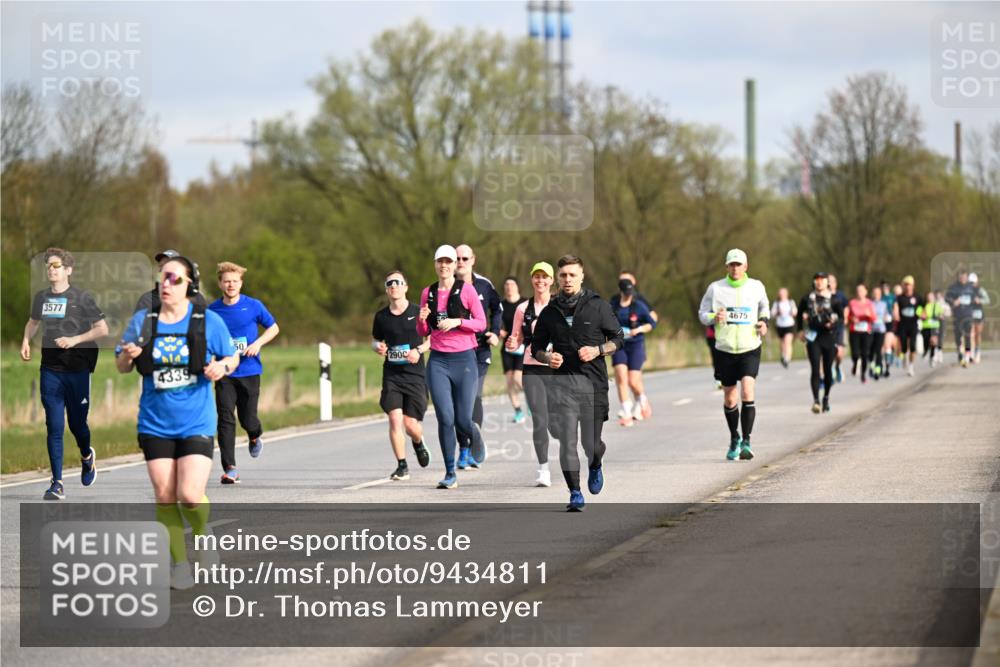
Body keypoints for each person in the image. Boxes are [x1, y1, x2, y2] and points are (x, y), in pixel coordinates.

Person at [116, 255, 240, 589]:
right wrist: (127, 356)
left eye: (174, 279)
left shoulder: (207, 321)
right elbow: (121, 366)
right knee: (165, 495)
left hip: (196, 420)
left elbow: (232, 355)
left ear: (189, 285)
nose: (166, 284)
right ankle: (180, 565)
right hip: (154, 422)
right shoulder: (144, 321)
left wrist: (223, 367)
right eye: (162, 279)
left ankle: (202, 534)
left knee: (189, 494)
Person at [531, 255, 623, 511]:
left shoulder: (598, 306)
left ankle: (595, 464)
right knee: (568, 441)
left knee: (590, 446)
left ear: (582, 276)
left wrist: (598, 350)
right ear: (557, 279)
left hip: (593, 385)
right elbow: (536, 347)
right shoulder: (550, 312)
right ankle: (574, 492)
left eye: (572, 275)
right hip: (562, 386)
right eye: (563, 275)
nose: (567, 279)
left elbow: (618, 338)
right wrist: (547, 357)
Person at [21, 248, 109, 500]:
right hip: (51, 369)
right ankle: (57, 482)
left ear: (68, 270)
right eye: (48, 265)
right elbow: (33, 321)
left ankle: (86, 455)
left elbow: (102, 328)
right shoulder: (41, 297)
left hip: (78, 370)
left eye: (56, 265)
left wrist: (75, 339)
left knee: (77, 424)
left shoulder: (82, 298)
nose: (51, 269)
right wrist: (26, 340)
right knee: (54, 425)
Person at [417, 244, 488, 489]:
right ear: (436, 264)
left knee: (462, 420)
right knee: (445, 418)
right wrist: (422, 320)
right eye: (440, 262)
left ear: (454, 265)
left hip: (465, 360)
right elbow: (423, 331)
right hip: (438, 361)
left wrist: (457, 321)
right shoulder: (428, 292)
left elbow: (481, 323)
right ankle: (449, 473)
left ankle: (473, 432)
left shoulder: (467, 290)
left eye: (449, 261)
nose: (445, 266)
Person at [207, 262, 280, 484]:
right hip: (225, 373)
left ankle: (254, 433)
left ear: (241, 283)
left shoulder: (253, 306)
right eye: (226, 281)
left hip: (249, 370)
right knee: (225, 418)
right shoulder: (212, 310)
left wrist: (257, 343)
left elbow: (274, 327)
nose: (230, 285)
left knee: (248, 418)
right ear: (220, 283)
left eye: (235, 281)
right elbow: (206, 337)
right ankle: (230, 468)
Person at [698, 249, 770, 461]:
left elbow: (765, 306)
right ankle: (734, 438)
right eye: (732, 265)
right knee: (730, 397)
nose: (735, 268)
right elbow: (702, 314)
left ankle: (747, 441)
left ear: (746, 266)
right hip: (725, 348)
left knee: (748, 391)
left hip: (750, 346)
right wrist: (713, 316)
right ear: (727, 267)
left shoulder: (756, 286)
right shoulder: (716, 288)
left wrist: (764, 322)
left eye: (739, 264)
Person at [371, 270, 432, 481]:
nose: (394, 286)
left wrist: (419, 351)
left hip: (415, 375)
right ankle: (402, 466)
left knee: (410, 425)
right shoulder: (381, 317)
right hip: (392, 375)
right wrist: (377, 347)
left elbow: (434, 339)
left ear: (406, 287)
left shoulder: (419, 312)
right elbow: (376, 340)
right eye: (390, 284)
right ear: (387, 290)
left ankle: (418, 442)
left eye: (398, 282)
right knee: (395, 419)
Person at [505, 262, 557, 487]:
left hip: (558, 369)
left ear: (552, 281)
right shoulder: (522, 309)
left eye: (545, 277)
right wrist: (511, 342)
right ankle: (543, 469)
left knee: (556, 423)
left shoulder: (560, 307)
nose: (540, 281)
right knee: (539, 420)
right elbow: (515, 338)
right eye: (537, 277)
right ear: (532, 280)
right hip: (532, 366)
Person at [453, 244, 502, 470]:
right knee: (458, 402)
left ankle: (473, 447)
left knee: (473, 396)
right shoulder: (447, 286)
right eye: (457, 258)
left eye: (464, 258)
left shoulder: (485, 284)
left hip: (480, 349)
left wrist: (495, 332)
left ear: (473, 259)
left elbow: (497, 309)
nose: (460, 262)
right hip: (455, 350)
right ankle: (463, 448)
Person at [610, 276, 656, 427]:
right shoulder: (613, 305)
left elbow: (651, 324)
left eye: (630, 292)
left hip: (636, 345)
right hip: (619, 345)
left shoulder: (639, 306)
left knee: (633, 381)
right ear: (621, 291)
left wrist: (639, 329)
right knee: (621, 378)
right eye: (626, 292)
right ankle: (626, 412)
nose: (628, 295)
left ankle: (642, 399)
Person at [797, 272, 843, 413]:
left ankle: (826, 398)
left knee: (828, 370)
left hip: (829, 337)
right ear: (814, 282)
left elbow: (841, 318)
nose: (819, 282)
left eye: (822, 280)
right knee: (815, 369)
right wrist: (800, 331)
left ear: (826, 282)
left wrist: (833, 326)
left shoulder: (834, 299)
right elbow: (799, 314)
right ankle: (816, 400)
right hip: (813, 337)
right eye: (816, 280)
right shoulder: (807, 299)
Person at [134, 249, 208, 312]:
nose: (164, 269)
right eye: (161, 266)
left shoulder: (197, 298)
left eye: (168, 265)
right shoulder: (147, 300)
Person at [498, 276, 527, 424]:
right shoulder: (501, 305)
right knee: (509, 381)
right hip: (508, 347)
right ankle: (518, 411)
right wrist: (500, 332)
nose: (509, 287)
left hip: (523, 345)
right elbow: (498, 324)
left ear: (517, 287)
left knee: (517, 377)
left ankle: (532, 397)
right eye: (506, 284)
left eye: (512, 284)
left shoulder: (525, 303)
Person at [845, 283, 876, 384]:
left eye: (862, 291)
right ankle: (855, 364)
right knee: (855, 353)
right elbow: (848, 317)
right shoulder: (852, 302)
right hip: (854, 331)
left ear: (866, 292)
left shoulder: (870, 303)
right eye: (858, 291)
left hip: (866, 331)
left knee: (864, 354)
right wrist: (851, 319)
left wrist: (868, 315)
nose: (860, 293)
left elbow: (874, 318)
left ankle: (863, 374)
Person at [946, 269, 978, 367]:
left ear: (967, 277)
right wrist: (953, 302)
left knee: (967, 336)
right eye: (961, 276)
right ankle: (960, 353)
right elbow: (947, 298)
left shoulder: (971, 287)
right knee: (958, 336)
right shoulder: (953, 287)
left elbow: (975, 298)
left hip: (968, 315)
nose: (963, 278)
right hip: (957, 315)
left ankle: (967, 357)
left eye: (964, 276)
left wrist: (975, 300)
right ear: (958, 277)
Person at [893, 276, 923, 376]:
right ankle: (904, 355)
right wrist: (896, 314)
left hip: (913, 324)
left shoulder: (917, 297)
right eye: (905, 284)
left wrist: (923, 314)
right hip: (903, 325)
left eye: (909, 284)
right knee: (904, 346)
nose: (907, 287)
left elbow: (923, 309)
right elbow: (896, 308)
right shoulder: (899, 297)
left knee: (913, 345)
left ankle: (911, 367)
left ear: (913, 286)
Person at [828, 273, 848, 383]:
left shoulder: (841, 296)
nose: (830, 283)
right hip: (827, 328)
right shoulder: (824, 295)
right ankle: (830, 370)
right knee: (829, 351)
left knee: (839, 353)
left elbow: (846, 307)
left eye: (832, 281)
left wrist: (844, 318)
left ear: (835, 283)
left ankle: (838, 366)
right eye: (828, 281)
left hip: (839, 327)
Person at [771, 287, 798, 368]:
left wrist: (792, 312)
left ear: (787, 294)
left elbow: (795, 312)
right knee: (782, 343)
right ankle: (783, 355)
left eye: (783, 293)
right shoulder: (777, 303)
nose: (782, 294)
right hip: (780, 325)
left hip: (789, 325)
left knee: (787, 342)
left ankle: (787, 359)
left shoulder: (791, 302)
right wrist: (777, 312)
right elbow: (772, 314)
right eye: (780, 293)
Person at [917, 291, 943, 368]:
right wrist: (923, 315)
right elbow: (920, 315)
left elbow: (941, 313)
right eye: (928, 296)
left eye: (931, 296)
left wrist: (940, 316)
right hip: (925, 327)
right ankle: (925, 352)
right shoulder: (922, 306)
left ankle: (932, 356)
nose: (929, 298)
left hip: (934, 326)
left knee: (933, 341)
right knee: (926, 341)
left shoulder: (936, 306)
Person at [969, 273, 989, 364]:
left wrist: (979, 300)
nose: (971, 284)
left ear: (976, 282)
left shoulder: (980, 290)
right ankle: (971, 352)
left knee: (977, 334)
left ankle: (978, 352)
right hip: (969, 313)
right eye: (970, 282)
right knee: (971, 333)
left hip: (978, 313)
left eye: (973, 282)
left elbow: (987, 300)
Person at [870, 286, 889, 380]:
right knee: (870, 350)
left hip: (881, 330)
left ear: (880, 295)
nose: (876, 295)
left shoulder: (884, 304)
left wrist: (886, 318)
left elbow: (887, 316)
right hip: (870, 330)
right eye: (875, 293)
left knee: (878, 350)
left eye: (878, 293)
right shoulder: (869, 303)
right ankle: (872, 365)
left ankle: (878, 369)